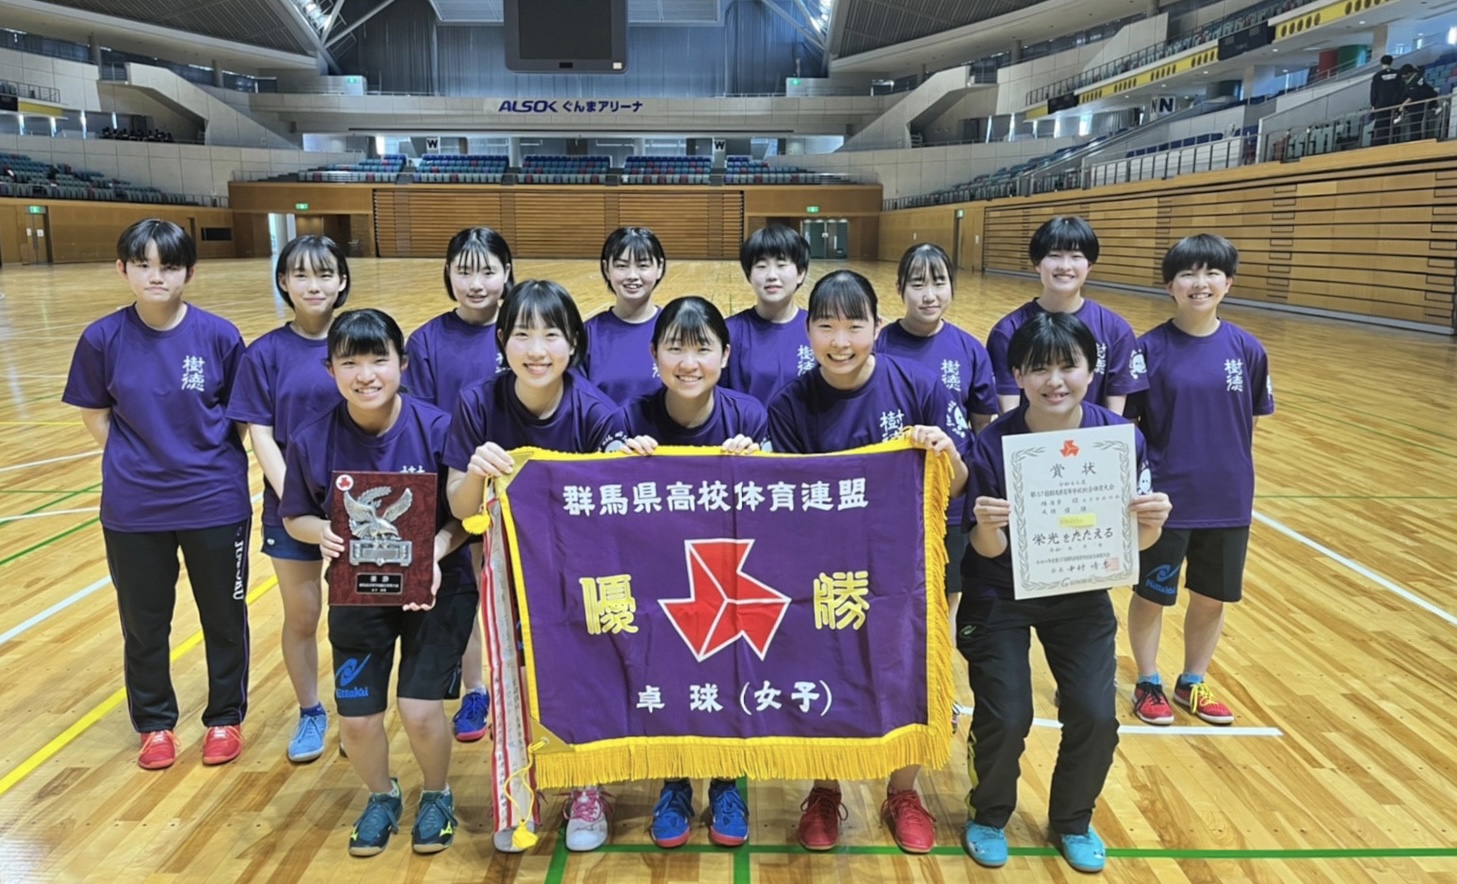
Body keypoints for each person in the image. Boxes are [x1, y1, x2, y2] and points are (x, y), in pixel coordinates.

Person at [959, 311, 1171, 874]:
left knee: (1097, 714)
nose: (1055, 380)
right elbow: (986, 553)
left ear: (1091, 369)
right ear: (1018, 376)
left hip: (1080, 593)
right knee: (1006, 714)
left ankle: (1073, 820)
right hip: (1000, 594)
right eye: (1039, 369)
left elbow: (1139, 543)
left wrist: (1152, 520)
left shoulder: (1118, 441)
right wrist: (985, 525)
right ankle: (989, 813)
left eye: (1068, 366)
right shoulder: (992, 444)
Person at [767, 269, 970, 855]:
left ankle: (902, 791)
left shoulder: (921, 386)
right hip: (824, 569)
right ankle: (825, 788)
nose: (840, 339)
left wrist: (946, 452)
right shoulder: (791, 402)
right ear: (808, 332)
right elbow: (785, 498)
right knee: (827, 674)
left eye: (854, 324)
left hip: (903, 568)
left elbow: (956, 485)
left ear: (877, 328)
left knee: (905, 674)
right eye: (826, 325)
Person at [280, 308, 474, 858]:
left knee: (418, 710)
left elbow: (466, 512)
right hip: (357, 592)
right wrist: (322, 531)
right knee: (359, 723)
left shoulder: (438, 429)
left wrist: (433, 550)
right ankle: (381, 796)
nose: (366, 374)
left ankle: (436, 795)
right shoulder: (312, 437)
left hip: (438, 588)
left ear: (402, 364)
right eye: (350, 362)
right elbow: (295, 513)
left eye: (378, 360)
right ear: (330, 370)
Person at [62, 218, 251, 771]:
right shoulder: (102, 338)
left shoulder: (218, 336)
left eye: (167, 265)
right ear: (122, 269)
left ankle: (225, 717)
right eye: (141, 264)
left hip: (214, 501)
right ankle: (155, 725)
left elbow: (238, 416)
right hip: (134, 506)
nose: (155, 276)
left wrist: (201, 457)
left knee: (224, 616)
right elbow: (95, 413)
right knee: (144, 623)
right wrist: (134, 458)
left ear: (189, 271)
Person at [443, 280, 626, 853]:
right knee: (516, 683)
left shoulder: (598, 412)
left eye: (551, 333)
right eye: (522, 333)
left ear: (573, 343)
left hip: (582, 577)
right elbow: (459, 506)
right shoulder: (478, 403)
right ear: (502, 341)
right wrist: (475, 471)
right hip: (508, 581)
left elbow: (616, 515)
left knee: (584, 680)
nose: (537, 348)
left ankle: (586, 788)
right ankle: (518, 791)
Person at [616, 296, 767, 850]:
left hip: (729, 581)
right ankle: (675, 781)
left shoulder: (748, 415)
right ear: (654, 354)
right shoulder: (630, 417)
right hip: (659, 582)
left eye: (702, 347)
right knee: (669, 681)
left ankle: (729, 780)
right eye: (674, 347)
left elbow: (775, 511)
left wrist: (758, 461)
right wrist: (621, 460)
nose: (688, 361)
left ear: (724, 355)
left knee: (728, 680)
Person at [1125, 235, 1274, 728]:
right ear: (1170, 285)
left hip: (1227, 499)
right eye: (1188, 273)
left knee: (1212, 598)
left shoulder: (1247, 350)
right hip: (1166, 500)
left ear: (1228, 282)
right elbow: (1130, 430)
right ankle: (1148, 681)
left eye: (1212, 273)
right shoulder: (1147, 350)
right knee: (1152, 594)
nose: (1200, 282)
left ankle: (1193, 679)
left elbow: (1248, 423)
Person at [228, 235, 350, 764]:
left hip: (360, 509)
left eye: (324, 274)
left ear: (342, 280)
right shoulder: (265, 354)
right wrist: (298, 501)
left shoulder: (359, 340)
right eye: (301, 275)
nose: (313, 285)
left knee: (356, 620)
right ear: (283, 282)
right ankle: (310, 712)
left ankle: (357, 715)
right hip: (292, 508)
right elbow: (259, 435)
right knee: (302, 617)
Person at [405, 226, 515, 743]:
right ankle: (476, 687)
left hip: (519, 486)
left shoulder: (520, 330)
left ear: (507, 274)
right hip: (459, 481)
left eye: (488, 270)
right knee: (468, 588)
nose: (477, 282)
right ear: (447, 274)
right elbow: (421, 415)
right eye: (465, 270)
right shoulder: (426, 341)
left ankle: (522, 685)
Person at [876, 242, 997, 624]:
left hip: (951, 495)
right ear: (899, 289)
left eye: (939, 283)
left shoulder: (970, 349)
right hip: (892, 490)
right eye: (917, 284)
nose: (929, 295)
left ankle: (937, 652)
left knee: (948, 582)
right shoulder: (880, 345)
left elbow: (982, 426)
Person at [985, 216, 1146, 415]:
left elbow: (1115, 414)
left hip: (1090, 443)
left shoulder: (1115, 330)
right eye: (1054, 255)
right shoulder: (1008, 330)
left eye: (1076, 256)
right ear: (1037, 264)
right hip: (1030, 443)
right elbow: (1008, 412)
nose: (1065, 266)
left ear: (1089, 265)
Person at [722, 224, 815, 405]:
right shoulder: (729, 331)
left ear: (801, 273)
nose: (772, 275)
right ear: (749, 274)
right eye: (762, 266)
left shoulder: (819, 330)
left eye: (781, 265)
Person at [582, 227, 666, 403]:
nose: (632, 276)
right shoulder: (588, 335)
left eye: (643, 266)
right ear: (606, 269)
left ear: (659, 267)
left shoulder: (674, 327)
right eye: (621, 266)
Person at [1370, 54, 1405, 146]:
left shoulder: (1377, 76)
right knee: (1394, 125)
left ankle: (1381, 144)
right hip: (1395, 104)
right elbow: (1401, 88)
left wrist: (1373, 104)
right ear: (1391, 62)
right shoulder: (1398, 74)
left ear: (1381, 63)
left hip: (1381, 105)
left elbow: (1374, 92)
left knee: (1382, 126)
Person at [1398, 64, 1438, 143]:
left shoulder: (1415, 81)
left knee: (1416, 124)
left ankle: (1416, 140)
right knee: (1415, 124)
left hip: (1420, 104)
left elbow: (1414, 95)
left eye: (1404, 74)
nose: (1403, 76)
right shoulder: (1414, 78)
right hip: (1417, 104)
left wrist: (1403, 105)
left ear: (1409, 73)